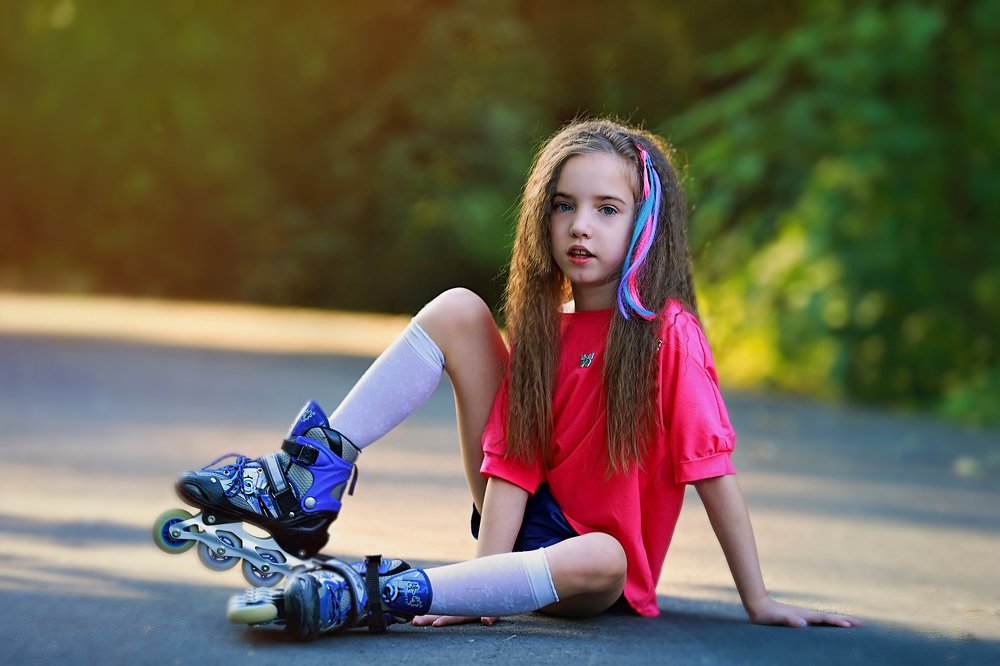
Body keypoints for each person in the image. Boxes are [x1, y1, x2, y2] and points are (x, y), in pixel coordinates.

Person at [182, 118, 861, 639]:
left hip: (592, 570)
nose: (580, 227)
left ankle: (381, 592)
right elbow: (512, 462)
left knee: (604, 554)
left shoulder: (668, 336)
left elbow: (712, 471)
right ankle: (310, 476)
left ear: (645, 225)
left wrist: (758, 599)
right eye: (564, 206)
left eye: (606, 209)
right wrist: (484, 581)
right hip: (521, 518)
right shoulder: (548, 328)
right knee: (457, 309)